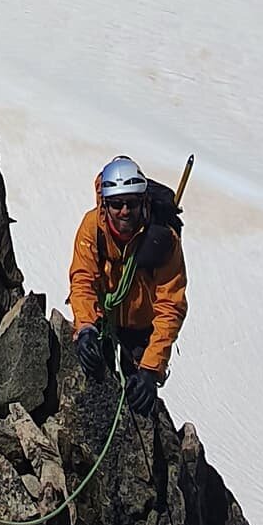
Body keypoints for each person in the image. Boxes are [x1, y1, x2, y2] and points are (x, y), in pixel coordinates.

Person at [68, 155, 187, 415]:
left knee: (137, 404)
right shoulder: (93, 228)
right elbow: (82, 279)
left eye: (131, 204)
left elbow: (170, 305)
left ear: (143, 202)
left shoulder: (163, 239)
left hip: (141, 331)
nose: (124, 211)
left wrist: (150, 369)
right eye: (117, 204)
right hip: (103, 322)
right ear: (105, 205)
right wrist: (86, 326)